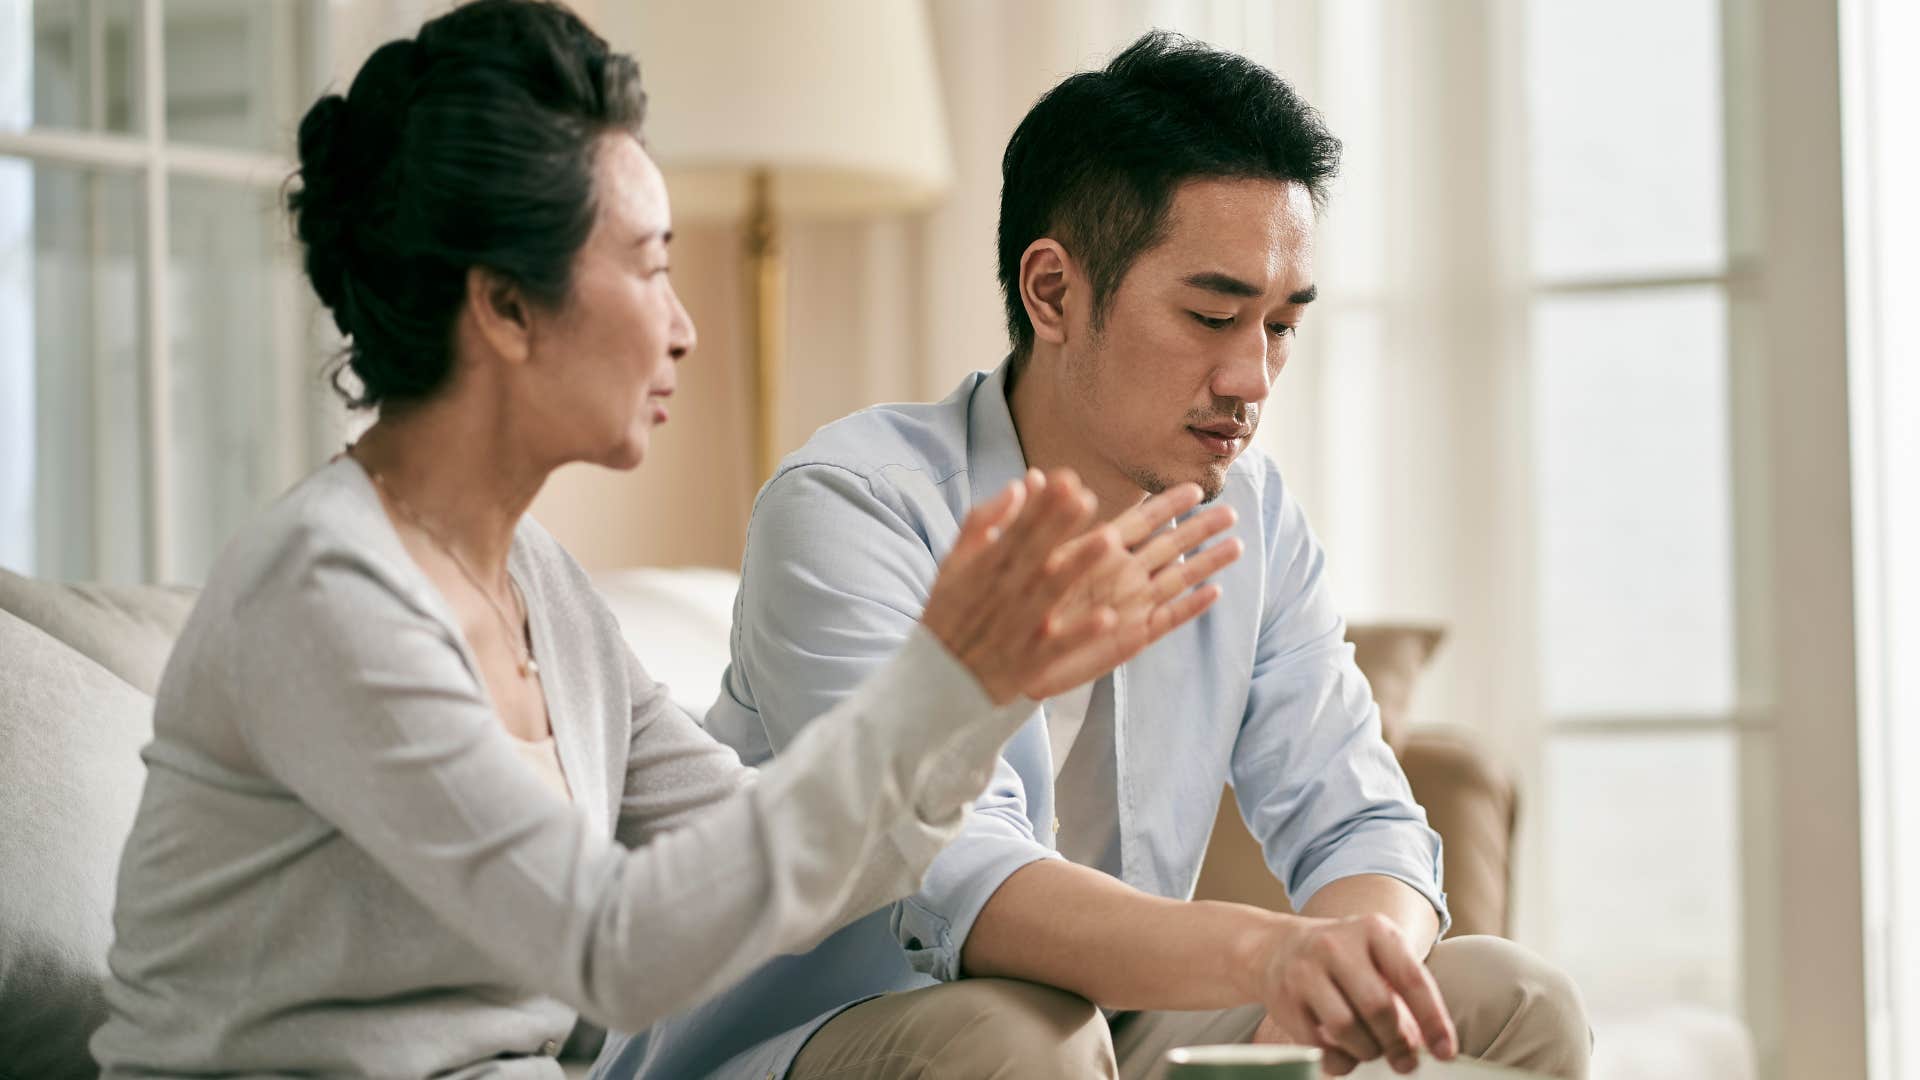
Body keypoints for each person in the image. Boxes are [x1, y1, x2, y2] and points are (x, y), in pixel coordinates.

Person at [87, 5, 1240, 1077]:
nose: (683, 328)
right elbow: (614, 946)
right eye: (648, 266)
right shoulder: (323, 591)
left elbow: (774, 853)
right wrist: (950, 675)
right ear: (505, 306)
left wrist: (993, 691)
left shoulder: (533, 582)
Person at [597, 30, 1591, 1080]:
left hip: (1107, 1031)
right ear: (1054, 293)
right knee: (1026, 1035)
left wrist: (1340, 984)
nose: (1252, 379)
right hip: (810, 1041)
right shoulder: (853, 508)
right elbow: (964, 885)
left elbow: (1362, 824)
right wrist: (1273, 953)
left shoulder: (1249, 517)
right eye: (1213, 315)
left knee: (1515, 1001)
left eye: (1280, 326)